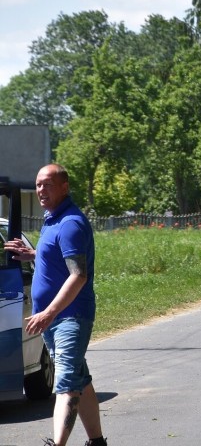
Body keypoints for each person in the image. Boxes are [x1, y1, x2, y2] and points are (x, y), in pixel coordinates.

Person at [4, 164, 107, 446]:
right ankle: (97, 442)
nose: (40, 190)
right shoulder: (52, 220)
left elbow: (79, 275)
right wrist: (34, 254)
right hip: (54, 318)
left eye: (48, 184)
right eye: (38, 184)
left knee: (66, 385)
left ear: (65, 187)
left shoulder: (71, 223)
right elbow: (60, 256)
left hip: (69, 317)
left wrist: (49, 312)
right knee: (79, 380)